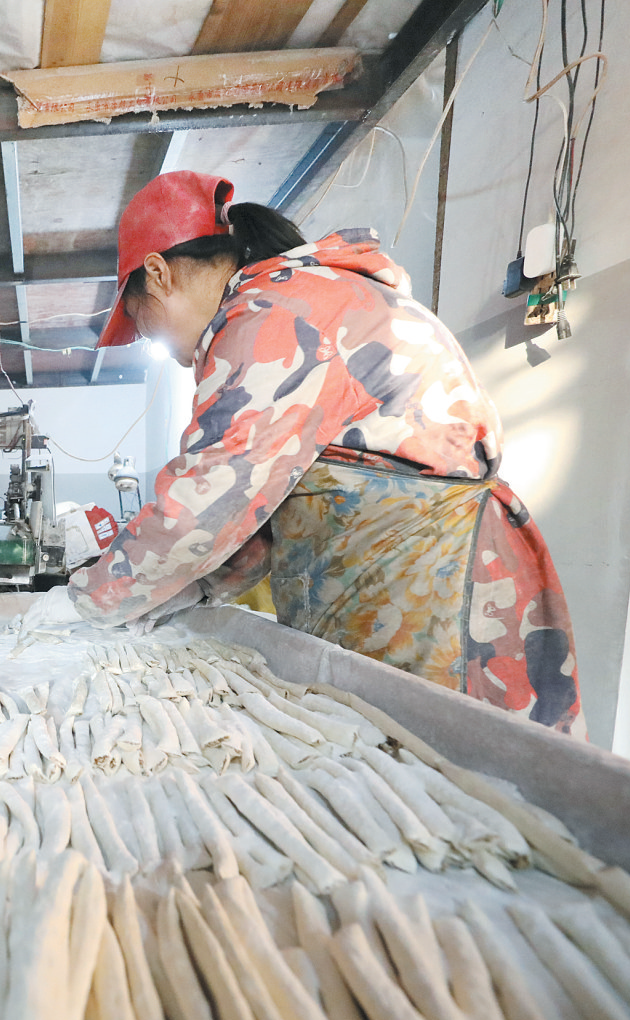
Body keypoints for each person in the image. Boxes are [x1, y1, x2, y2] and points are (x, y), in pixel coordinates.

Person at [66, 170, 584, 736]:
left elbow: (207, 496)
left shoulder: (276, 316)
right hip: (392, 576)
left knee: (432, 775)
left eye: (141, 325)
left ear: (159, 274)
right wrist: (189, 590)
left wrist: (91, 600)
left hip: (433, 584)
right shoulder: (289, 301)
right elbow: (254, 515)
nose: (160, 348)